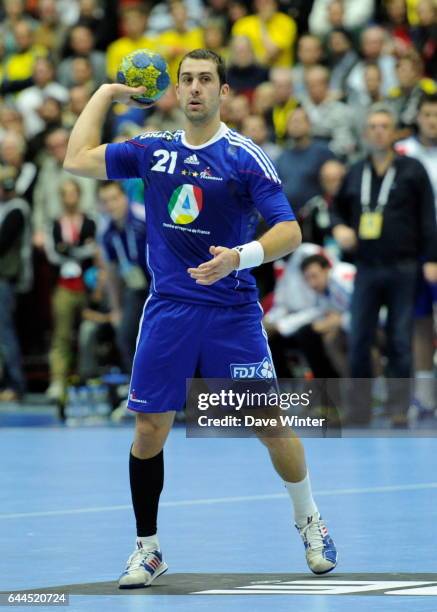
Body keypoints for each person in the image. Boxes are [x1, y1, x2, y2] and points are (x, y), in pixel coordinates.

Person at [63, 48, 337, 588]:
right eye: (186, 79)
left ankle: (310, 521)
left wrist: (240, 256)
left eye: (205, 80)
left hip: (232, 314)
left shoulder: (243, 156)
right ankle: (148, 548)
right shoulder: (154, 150)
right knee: (149, 430)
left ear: (223, 92)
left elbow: (289, 232)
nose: (194, 88)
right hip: (169, 311)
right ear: (175, 88)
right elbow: (77, 159)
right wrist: (107, 93)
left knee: (269, 424)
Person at [331, 104, 437, 425]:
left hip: (404, 266)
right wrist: (339, 227)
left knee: (400, 338)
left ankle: (398, 409)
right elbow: (336, 209)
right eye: (373, 126)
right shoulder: (355, 171)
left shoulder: (412, 169)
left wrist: (431, 257)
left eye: (384, 126)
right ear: (365, 133)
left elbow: (427, 217)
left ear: (394, 133)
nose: (378, 131)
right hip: (366, 267)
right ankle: (359, 409)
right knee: (360, 337)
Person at [45, 179, 96, 400]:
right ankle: (57, 381)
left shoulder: (89, 222)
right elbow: (53, 254)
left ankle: (88, 378)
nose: (70, 198)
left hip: (87, 286)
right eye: (65, 194)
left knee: (88, 335)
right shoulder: (55, 223)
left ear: (79, 195)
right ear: (61, 198)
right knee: (61, 335)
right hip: (64, 286)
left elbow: (93, 249)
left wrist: (70, 249)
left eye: (73, 193)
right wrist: (78, 249)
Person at [98, 181, 149, 375]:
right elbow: (111, 272)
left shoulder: (144, 217)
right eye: (105, 201)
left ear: (125, 197)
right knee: (125, 335)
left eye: (114, 199)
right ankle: (135, 391)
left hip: (161, 287)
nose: (111, 205)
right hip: (135, 288)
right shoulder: (107, 232)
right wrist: (116, 309)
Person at [0, 176, 31, 402]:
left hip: (5, 279)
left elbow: (2, 243)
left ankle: (16, 384)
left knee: (5, 333)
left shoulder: (17, 209)